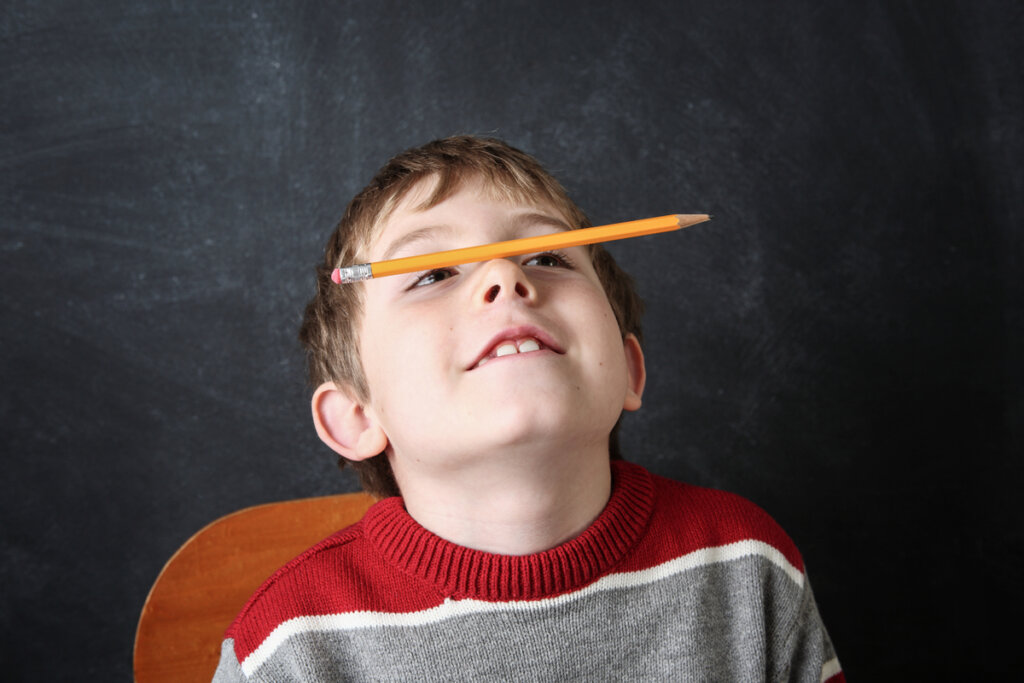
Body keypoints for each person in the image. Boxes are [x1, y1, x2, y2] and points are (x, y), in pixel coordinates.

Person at [212, 136, 844, 682]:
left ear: (628, 368)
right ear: (354, 416)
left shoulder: (747, 568)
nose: (505, 278)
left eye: (548, 257)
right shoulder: (288, 647)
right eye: (432, 273)